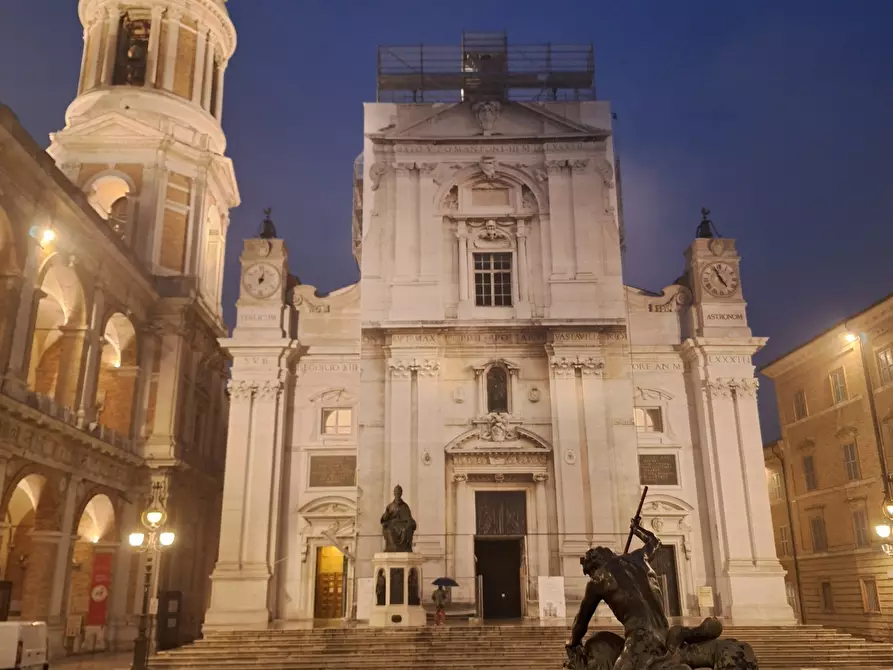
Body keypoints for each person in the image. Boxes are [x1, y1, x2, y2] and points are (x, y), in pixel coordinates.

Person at [381, 485, 416, 552]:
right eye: (396, 492)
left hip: (403, 525)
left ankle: (404, 547)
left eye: (399, 492)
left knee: (406, 529)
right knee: (390, 529)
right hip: (392, 525)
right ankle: (392, 547)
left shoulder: (405, 506)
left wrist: (407, 526)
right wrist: (387, 514)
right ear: (394, 493)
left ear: (401, 493)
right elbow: (384, 519)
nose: (397, 494)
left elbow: (409, 518)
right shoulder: (390, 506)